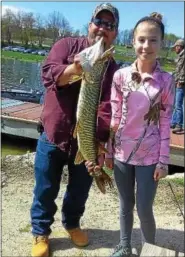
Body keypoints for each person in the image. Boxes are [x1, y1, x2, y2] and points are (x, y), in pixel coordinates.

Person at [30, 3, 119, 257]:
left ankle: (72, 223)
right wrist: (75, 69)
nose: (103, 28)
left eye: (110, 25)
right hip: (53, 133)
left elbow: (106, 108)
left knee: (80, 189)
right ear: (90, 24)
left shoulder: (110, 67)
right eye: (99, 22)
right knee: (45, 187)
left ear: (115, 32)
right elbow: (48, 74)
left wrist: (98, 147)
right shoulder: (66, 46)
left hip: (85, 140)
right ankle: (40, 232)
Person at [104, 12, 175, 257]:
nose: (147, 46)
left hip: (149, 156)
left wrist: (163, 160)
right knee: (125, 205)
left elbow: (165, 123)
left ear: (161, 44)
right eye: (142, 39)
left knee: (144, 208)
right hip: (122, 152)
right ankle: (124, 245)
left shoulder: (167, 80)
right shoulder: (120, 76)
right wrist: (109, 151)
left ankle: (149, 249)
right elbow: (115, 118)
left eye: (153, 40)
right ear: (133, 41)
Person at [170, 39, 184, 133]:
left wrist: (181, 81)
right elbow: (178, 70)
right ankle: (174, 122)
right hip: (178, 82)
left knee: (178, 105)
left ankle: (179, 125)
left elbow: (183, 70)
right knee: (175, 104)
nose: (175, 49)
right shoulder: (181, 56)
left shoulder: (183, 56)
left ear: (179, 46)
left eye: (176, 47)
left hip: (181, 83)